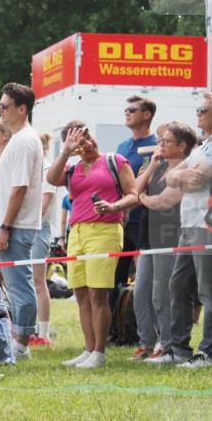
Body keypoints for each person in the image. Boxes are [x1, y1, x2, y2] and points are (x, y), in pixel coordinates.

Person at [47, 123, 137, 368]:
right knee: (81, 293)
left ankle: (99, 351)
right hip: (77, 232)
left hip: (105, 230)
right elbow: (51, 178)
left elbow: (133, 194)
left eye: (87, 137)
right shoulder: (71, 167)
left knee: (98, 293)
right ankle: (88, 349)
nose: (87, 143)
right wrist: (65, 151)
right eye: (80, 141)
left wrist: (114, 206)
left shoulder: (115, 161)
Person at [150, 93, 212, 367]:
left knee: (207, 290)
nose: (198, 113)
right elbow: (175, 177)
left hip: (207, 224)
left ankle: (208, 352)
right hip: (188, 224)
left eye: (203, 109)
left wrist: (181, 174)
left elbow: (197, 176)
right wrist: (180, 173)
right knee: (177, 285)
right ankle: (177, 349)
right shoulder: (204, 146)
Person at [0, 83, 45, 360]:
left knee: (20, 285)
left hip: (17, 226)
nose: (0, 110)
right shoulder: (19, 139)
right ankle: (18, 338)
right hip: (12, 224)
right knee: (14, 284)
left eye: (4, 106)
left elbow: (19, 189)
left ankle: (22, 344)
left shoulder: (24, 141)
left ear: (21, 109)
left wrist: (5, 227)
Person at [135, 121, 196, 362]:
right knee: (144, 294)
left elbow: (162, 201)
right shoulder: (159, 167)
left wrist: (142, 199)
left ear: (182, 146)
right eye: (160, 141)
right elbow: (134, 189)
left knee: (164, 295)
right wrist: (151, 168)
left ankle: (170, 346)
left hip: (170, 237)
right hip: (150, 238)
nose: (160, 145)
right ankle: (153, 343)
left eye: (165, 142)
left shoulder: (184, 169)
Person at [114, 96, 158, 319]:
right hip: (120, 220)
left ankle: (146, 331)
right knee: (114, 277)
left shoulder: (158, 145)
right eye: (126, 109)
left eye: (132, 109)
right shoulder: (122, 146)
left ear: (147, 114)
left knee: (144, 279)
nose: (127, 113)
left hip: (145, 220)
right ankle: (116, 329)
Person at [29, 133, 58, 347]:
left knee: (38, 281)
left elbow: (43, 206)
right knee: (26, 282)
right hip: (25, 228)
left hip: (39, 230)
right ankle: (28, 330)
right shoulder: (29, 170)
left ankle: (44, 334)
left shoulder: (47, 171)